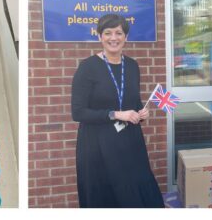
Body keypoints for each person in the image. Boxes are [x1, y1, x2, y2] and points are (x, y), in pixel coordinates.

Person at [70, 14, 164, 208]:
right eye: (108, 33)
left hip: (129, 141)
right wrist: (115, 114)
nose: (114, 38)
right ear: (99, 37)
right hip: (98, 144)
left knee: (135, 190)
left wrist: (142, 113)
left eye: (119, 33)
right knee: (106, 196)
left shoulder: (132, 66)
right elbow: (78, 112)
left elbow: (134, 102)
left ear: (126, 37)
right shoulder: (87, 67)